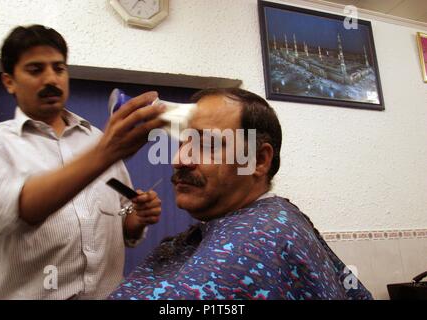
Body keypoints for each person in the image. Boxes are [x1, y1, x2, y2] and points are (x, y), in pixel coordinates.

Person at [109, 88, 373, 300]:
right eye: (183, 142)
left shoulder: (260, 238)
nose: (179, 159)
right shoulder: (274, 220)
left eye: (207, 143)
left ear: (259, 160)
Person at [0, 25, 165, 299]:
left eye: (59, 68)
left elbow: (122, 220)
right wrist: (107, 151)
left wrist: (136, 219)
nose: (51, 79)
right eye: (35, 70)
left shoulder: (97, 140)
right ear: (9, 82)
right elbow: (21, 208)